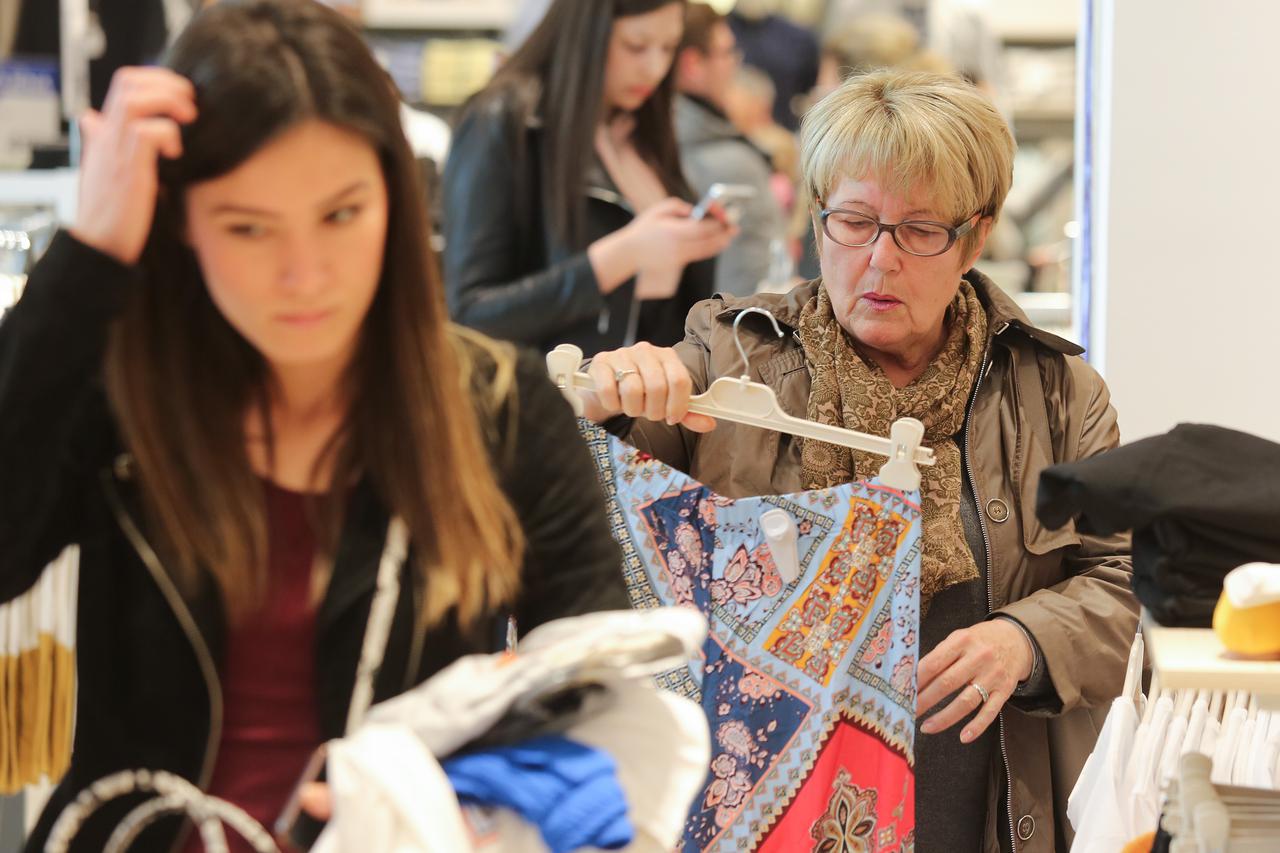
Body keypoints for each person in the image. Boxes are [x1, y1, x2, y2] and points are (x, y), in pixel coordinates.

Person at [0, 1, 628, 850]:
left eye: (341, 215)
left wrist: (476, 805)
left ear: (396, 204)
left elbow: (605, 694)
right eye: (248, 227)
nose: (305, 276)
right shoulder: (125, 398)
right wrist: (90, 252)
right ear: (184, 226)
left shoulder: (496, 409)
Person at [581, 70, 1136, 853]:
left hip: (985, 812)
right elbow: (596, 528)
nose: (880, 260)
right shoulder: (727, 358)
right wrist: (620, 396)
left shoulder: (1054, 393)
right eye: (854, 221)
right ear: (816, 220)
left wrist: (1028, 638)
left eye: (919, 230)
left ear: (975, 237)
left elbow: (1127, 579)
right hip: (769, 817)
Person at [442, 0, 735, 356]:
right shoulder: (503, 120)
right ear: (586, 34)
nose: (654, 68)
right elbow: (473, 313)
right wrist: (621, 256)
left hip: (645, 399)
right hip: (550, 397)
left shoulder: (640, 128)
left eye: (668, 48)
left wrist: (696, 242)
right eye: (636, 46)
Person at [673, 3, 784, 297]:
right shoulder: (730, 163)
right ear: (692, 64)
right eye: (727, 52)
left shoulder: (645, 142)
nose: (735, 62)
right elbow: (753, 282)